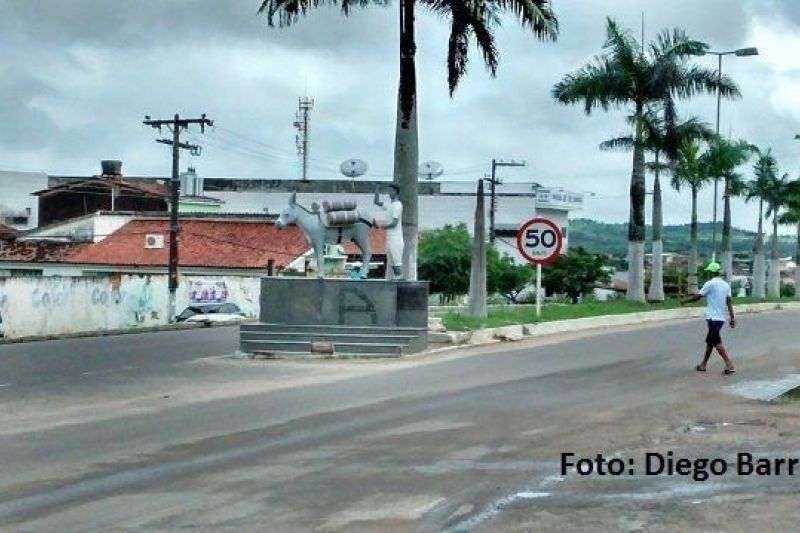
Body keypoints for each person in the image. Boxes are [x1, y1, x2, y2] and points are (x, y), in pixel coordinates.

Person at [681, 261, 736, 375]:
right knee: (710, 342)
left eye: (709, 272)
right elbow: (729, 302)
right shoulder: (726, 285)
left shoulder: (710, 284)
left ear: (711, 273)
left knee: (716, 341)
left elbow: (698, 296)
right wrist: (732, 317)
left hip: (712, 317)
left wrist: (685, 301)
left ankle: (729, 364)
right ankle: (703, 365)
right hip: (721, 318)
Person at [373, 184, 404, 280]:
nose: (390, 193)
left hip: (396, 238)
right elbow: (376, 202)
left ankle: (400, 279)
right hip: (389, 237)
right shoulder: (390, 205)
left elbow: (394, 223)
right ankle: (397, 279)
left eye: (392, 191)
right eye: (389, 191)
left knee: (396, 262)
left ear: (397, 192)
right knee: (391, 262)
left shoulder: (398, 205)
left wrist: (381, 226)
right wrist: (377, 189)